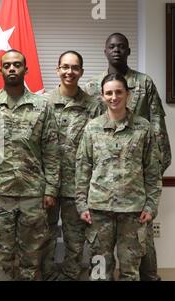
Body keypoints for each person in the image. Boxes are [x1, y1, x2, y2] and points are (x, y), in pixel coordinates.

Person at [84, 33, 171, 281]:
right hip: (102, 189)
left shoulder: (144, 83)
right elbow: (85, 134)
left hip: (135, 183)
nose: (117, 51)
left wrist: (149, 185)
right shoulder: (92, 86)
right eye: (112, 46)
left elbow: (157, 129)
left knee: (141, 253)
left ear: (129, 51)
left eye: (122, 47)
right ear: (105, 50)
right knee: (101, 262)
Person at [0, 50, 60, 281]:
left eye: (17, 65)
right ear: (0, 70)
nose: (12, 69)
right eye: (7, 65)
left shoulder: (42, 105)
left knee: (31, 259)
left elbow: (51, 150)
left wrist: (51, 189)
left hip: (33, 193)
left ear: (25, 69)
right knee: (1, 259)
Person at [76, 73, 162, 281]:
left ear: (128, 94)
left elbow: (152, 170)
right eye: (109, 93)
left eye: (118, 92)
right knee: (99, 272)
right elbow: (83, 167)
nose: (114, 97)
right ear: (102, 96)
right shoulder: (92, 127)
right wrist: (81, 204)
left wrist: (151, 205)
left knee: (130, 272)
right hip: (99, 211)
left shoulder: (143, 127)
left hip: (133, 212)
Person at [41, 51, 105, 281]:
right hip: (46, 186)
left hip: (78, 188)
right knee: (43, 241)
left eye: (75, 68)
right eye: (65, 67)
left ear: (81, 72)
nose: (70, 72)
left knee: (76, 244)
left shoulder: (94, 106)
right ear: (57, 70)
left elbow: (100, 149)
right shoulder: (42, 102)